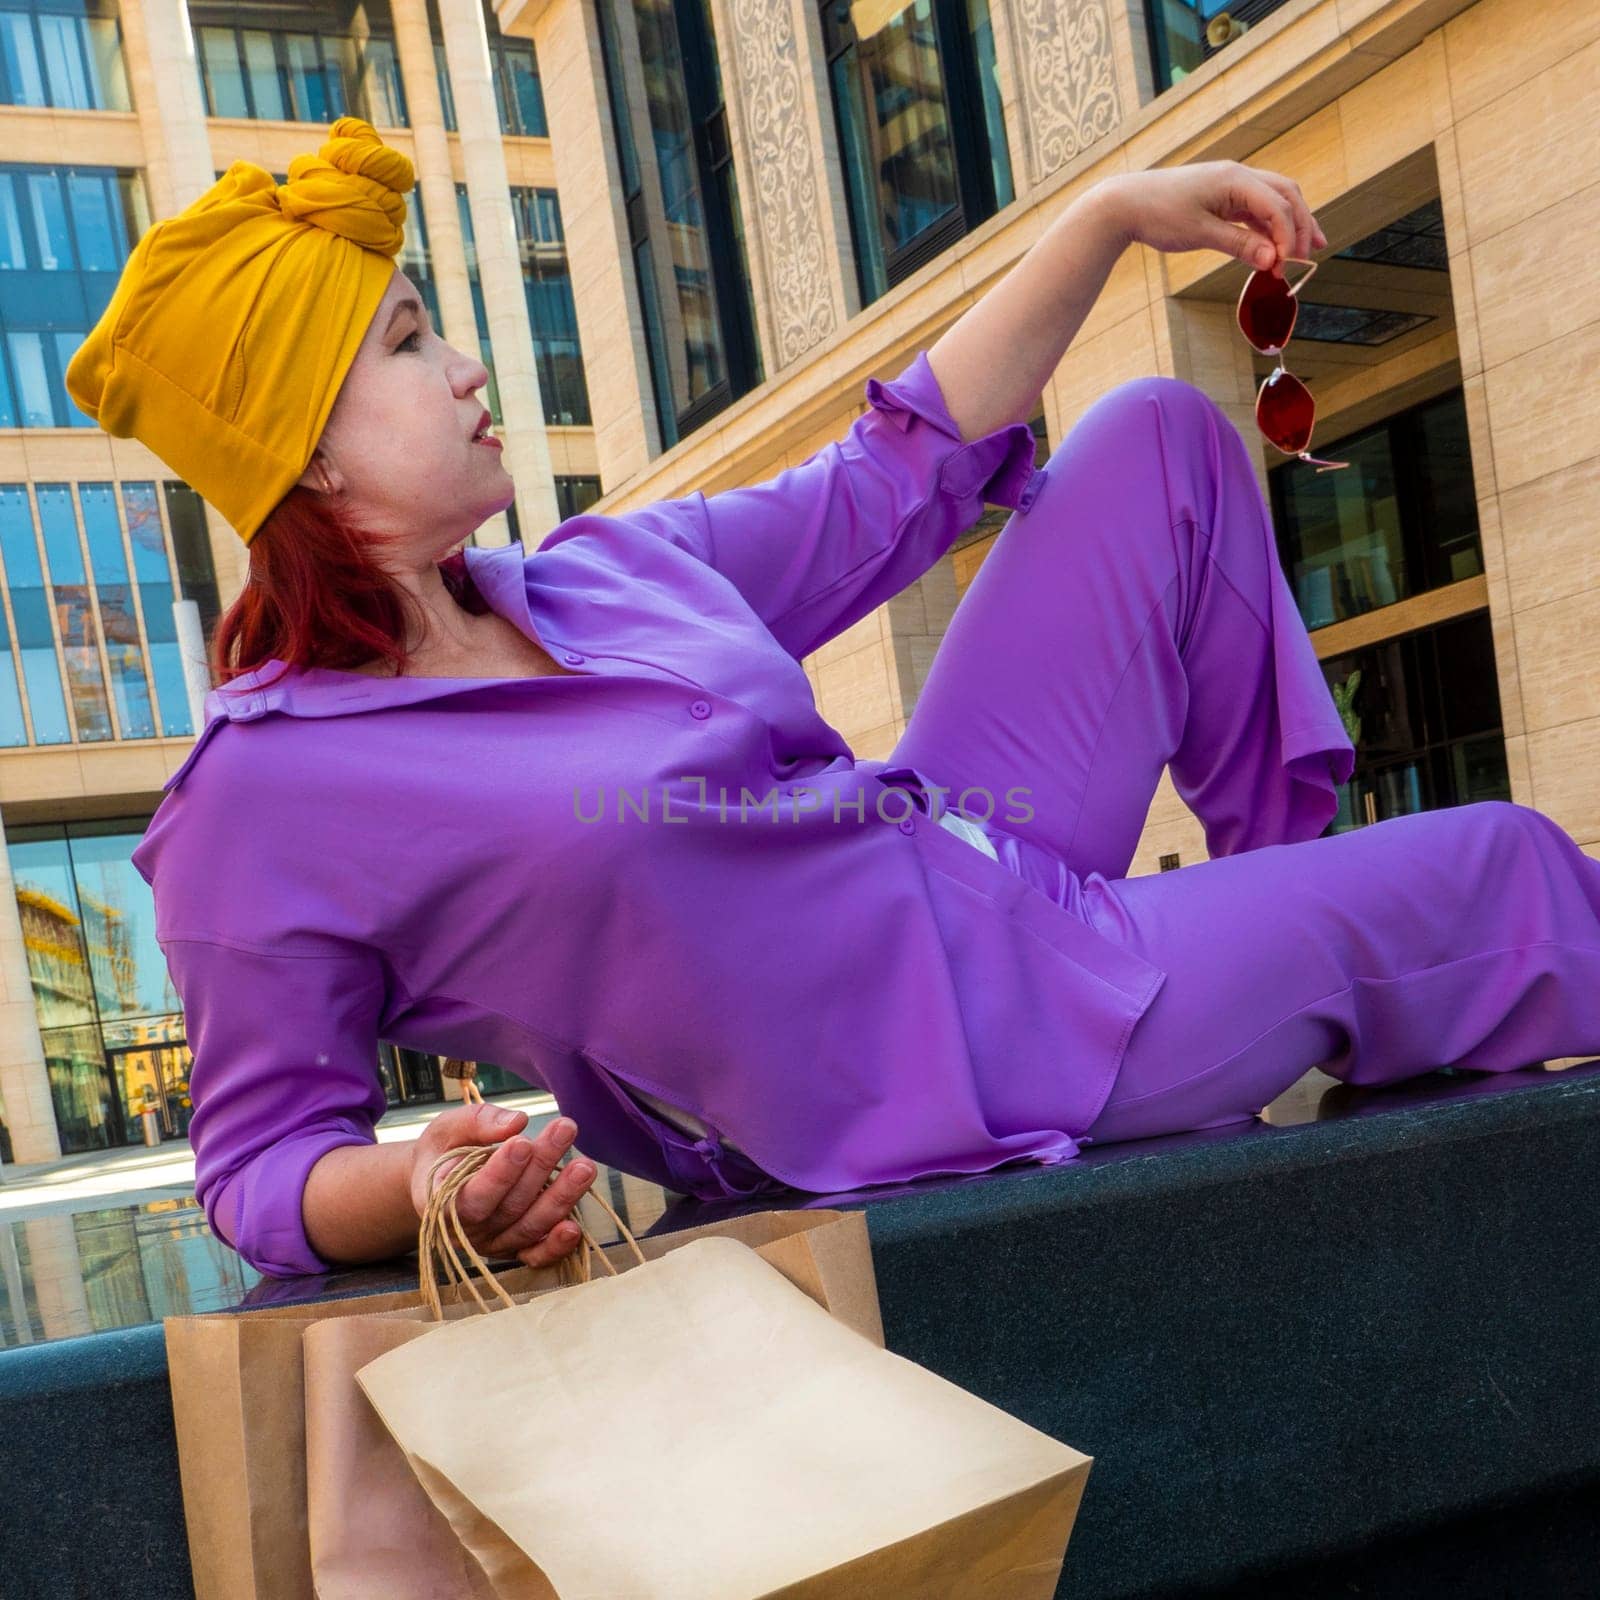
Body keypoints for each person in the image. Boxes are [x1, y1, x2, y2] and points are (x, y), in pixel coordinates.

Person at [70, 119, 1600, 1282]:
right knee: (1504, 865)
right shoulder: (265, 799)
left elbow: (892, 477)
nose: (470, 369)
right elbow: (263, 1160)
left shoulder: (593, 575)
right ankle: (1257, 976)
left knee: (1155, 440)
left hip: (982, 871)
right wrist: (418, 1191)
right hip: (950, 1070)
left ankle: (1261, 927)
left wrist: (1106, 222)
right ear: (308, 458)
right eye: (411, 345)